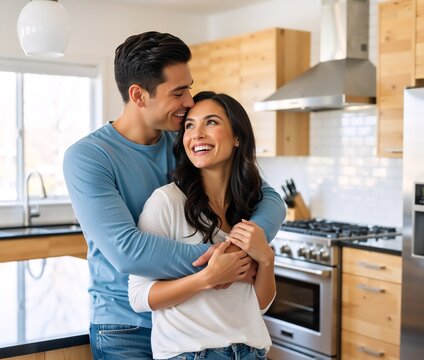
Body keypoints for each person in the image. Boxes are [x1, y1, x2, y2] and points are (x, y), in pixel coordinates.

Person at [62, 32, 285, 360]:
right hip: (127, 326)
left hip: (191, 321)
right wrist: (222, 259)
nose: (189, 102)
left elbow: (268, 198)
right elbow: (128, 252)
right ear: (139, 95)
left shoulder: (184, 145)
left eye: (189, 88)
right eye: (179, 92)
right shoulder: (90, 157)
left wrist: (249, 244)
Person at [129, 91, 276, 360]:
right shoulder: (167, 202)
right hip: (192, 355)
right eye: (189, 125)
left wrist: (266, 261)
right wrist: (207, 278)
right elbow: (139, 297)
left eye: (211, 122)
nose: (196, 134)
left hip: (251, 352)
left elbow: (260, 305)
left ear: (237, 137)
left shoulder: (253, 206)